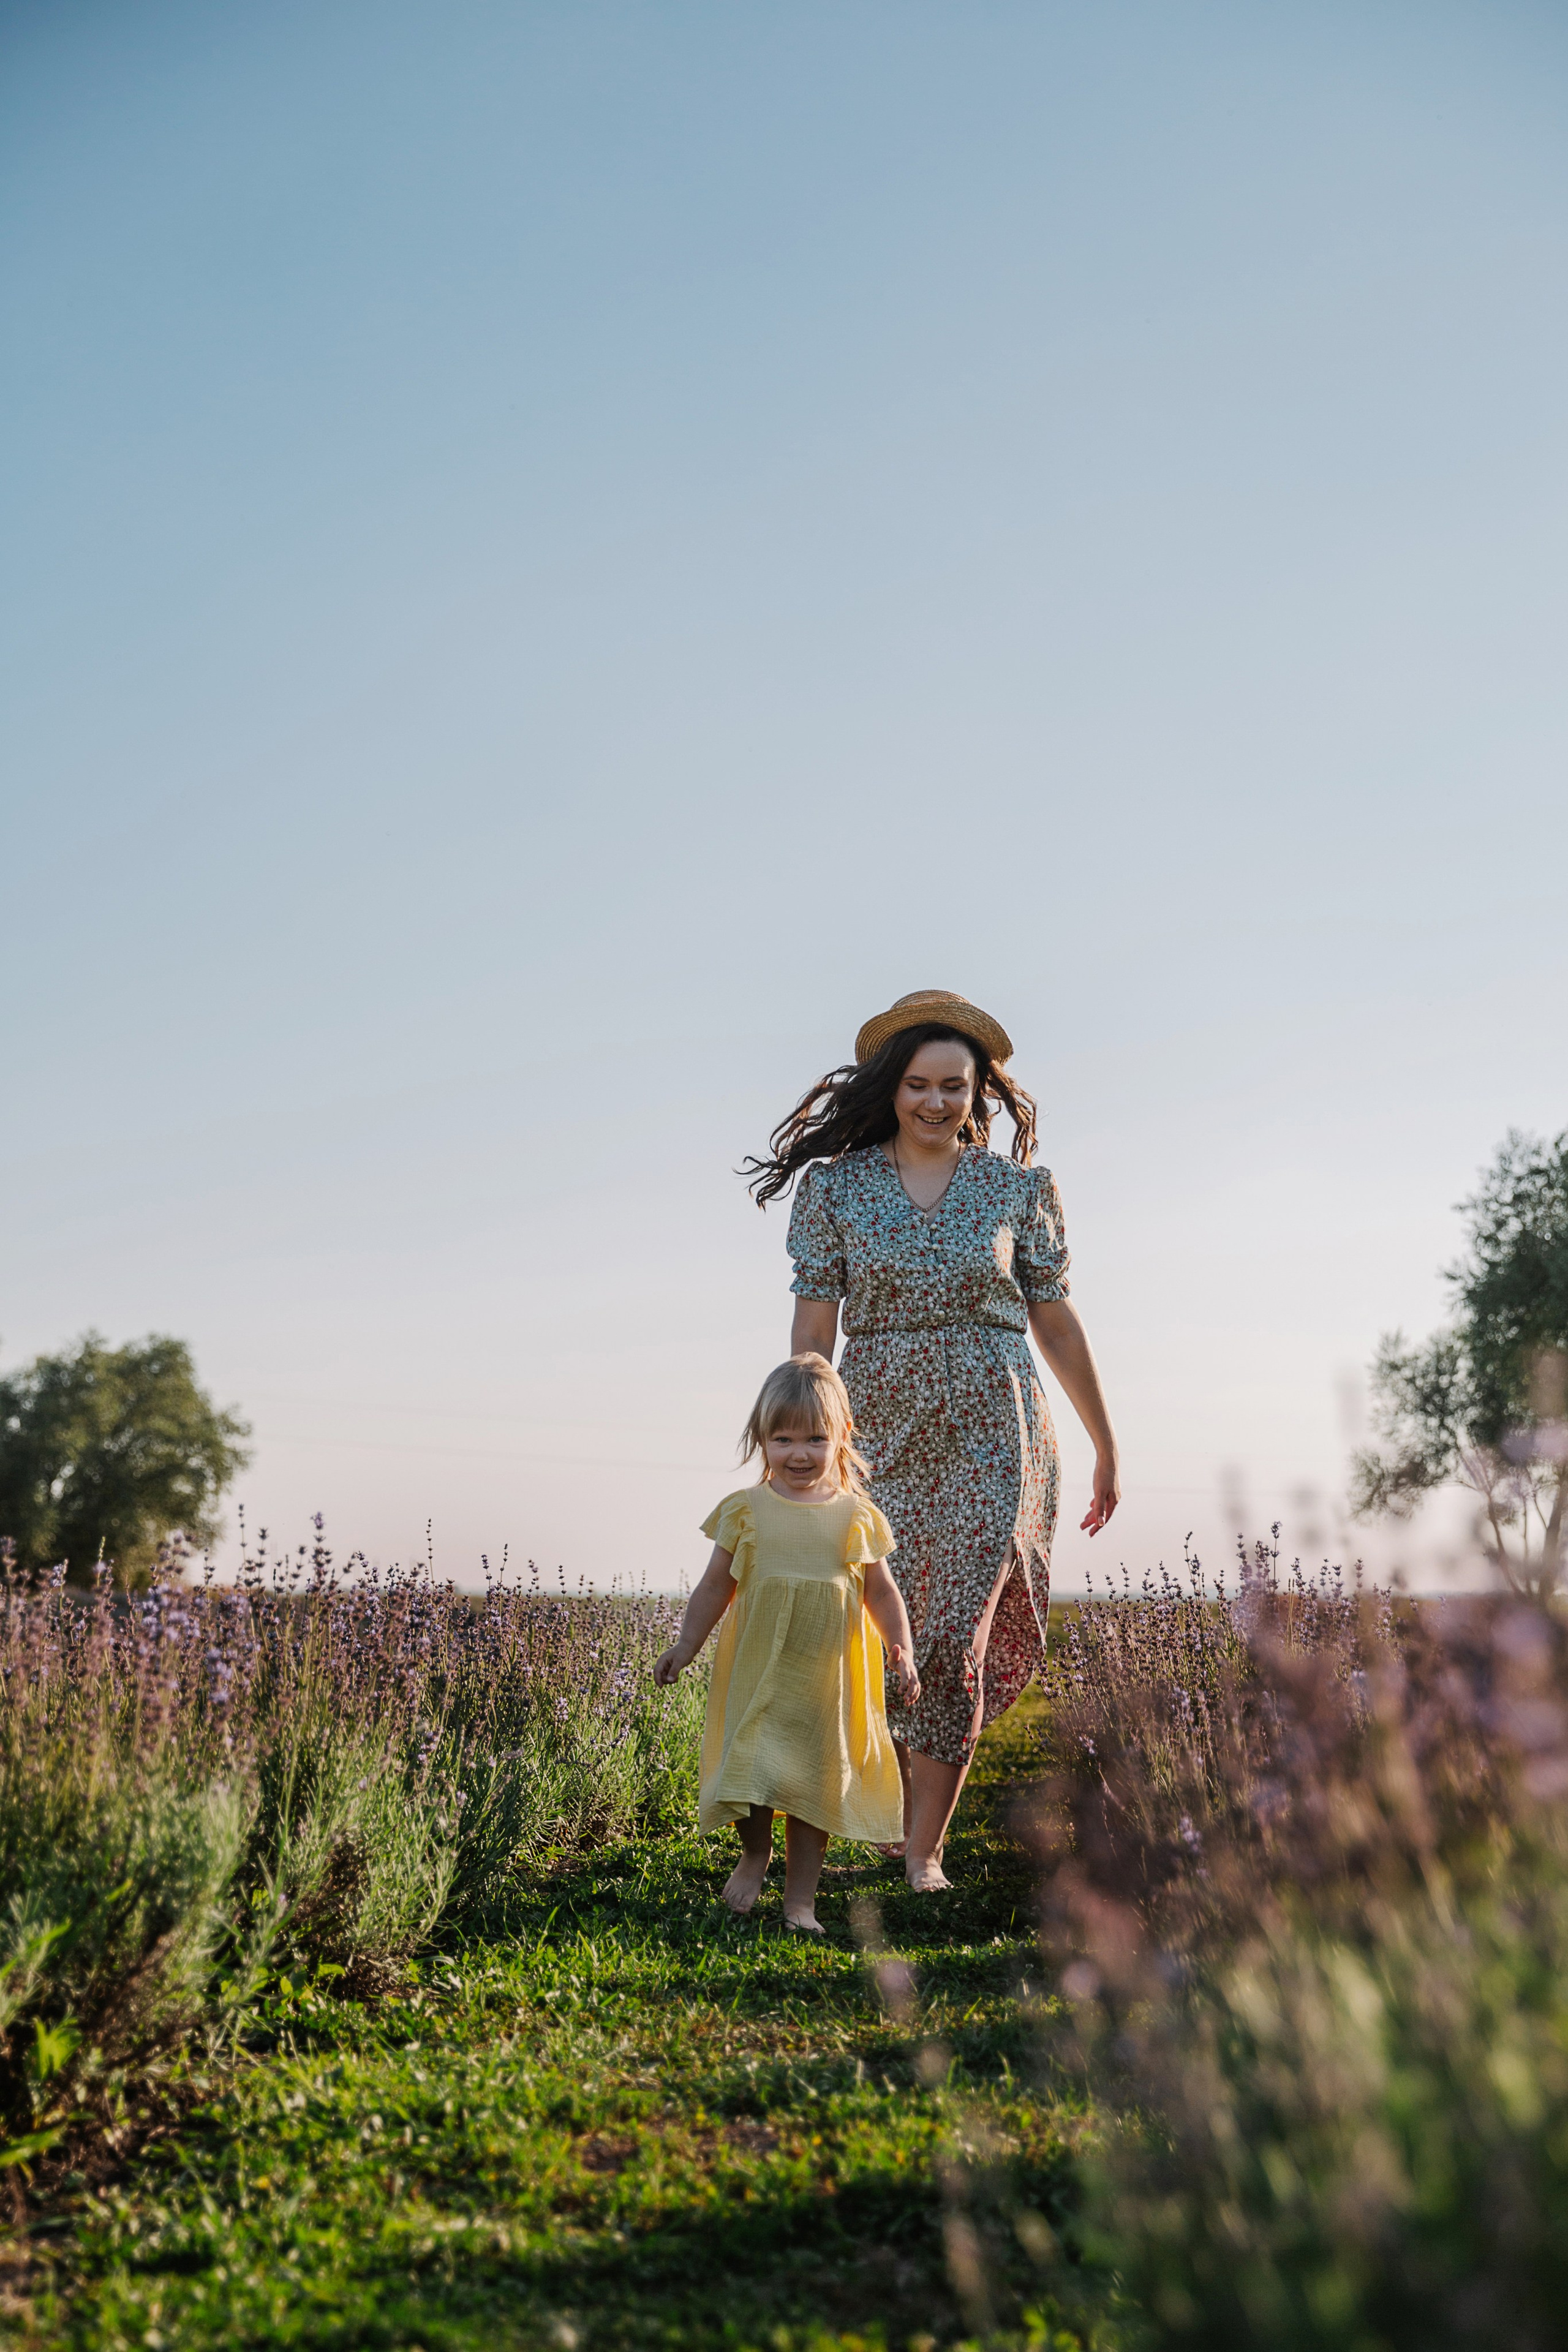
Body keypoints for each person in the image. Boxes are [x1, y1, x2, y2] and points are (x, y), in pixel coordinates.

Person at [745, 987, 1120, 1894]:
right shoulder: (835, 1189)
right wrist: (802, 1439)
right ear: (892, 1087)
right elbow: (813, 1332)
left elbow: (1056, 1322)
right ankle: (877, 1809)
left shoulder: (1018, 1190)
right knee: (868, 1627)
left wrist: (1105, 1441)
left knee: (952, 1637)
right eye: (919, 1084)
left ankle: (922, 1852)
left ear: (978, 1092)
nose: (936, 1102)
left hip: (998, 1429)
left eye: (955, 1085)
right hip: (872, 1428)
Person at [653, 1354, 921, 1933]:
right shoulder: (745, 1512)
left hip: (825, 1680)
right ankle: (755, 1853)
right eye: (783, 1438)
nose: (800, 1453)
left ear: (842, 1438)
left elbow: (882, 1593)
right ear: (761, 1440)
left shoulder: (856, 1515)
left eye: (816, 1439)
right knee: (750, 1769)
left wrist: (901, 1647)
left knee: (813, 1786)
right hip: (758, 1670)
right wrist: (684, 1646)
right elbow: (713, 1588)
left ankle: (801, 1900)